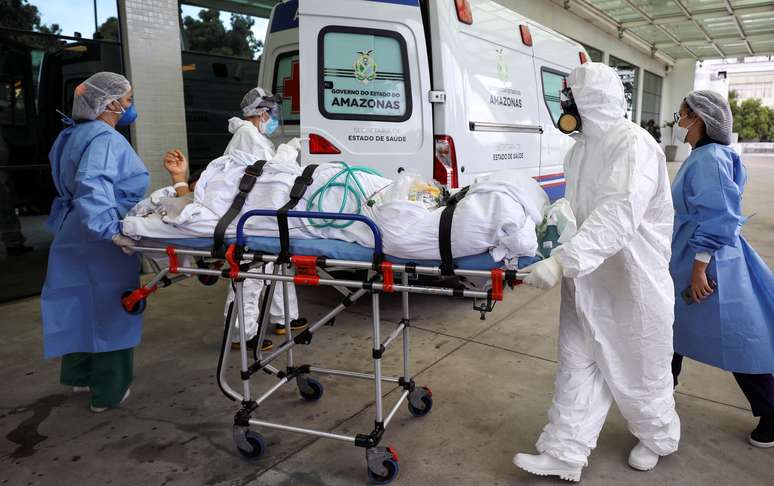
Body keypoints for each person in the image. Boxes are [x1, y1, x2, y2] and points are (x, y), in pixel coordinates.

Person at [514, 63, 680, 481]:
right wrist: (548, 237)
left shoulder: (634, 145)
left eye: (571, 100)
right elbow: (577, 211)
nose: (565, 108)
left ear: (591, 102)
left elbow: (617, 215)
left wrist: (561, 262)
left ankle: (657, 438)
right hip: (586, 278)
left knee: (640, 366)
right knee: (576, 362)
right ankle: (565, 452)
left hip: (632, 281)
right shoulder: (578, 151)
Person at [670, 90, 774, 448]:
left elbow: (719, 216)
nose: (676, 119)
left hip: (708, 261)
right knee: (669, 326)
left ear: (697, 117)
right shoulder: (705, 155)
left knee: (736, 335)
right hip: (693, 254)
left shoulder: (709, 158)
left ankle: (771, 411)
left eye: (681, 112)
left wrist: (700, 267)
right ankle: (660, 391)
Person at [42, 72, 149, 413]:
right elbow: (93, 183)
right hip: (101, 234)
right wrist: (111, 231)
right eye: (127, 100)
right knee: (112, 306)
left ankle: (80, 375)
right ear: (110, 102)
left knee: (77, 298)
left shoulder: (70, 134)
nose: (130, 106)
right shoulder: (106, 138)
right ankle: (109, 390)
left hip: (73, 230)